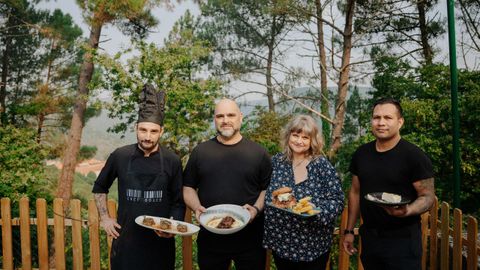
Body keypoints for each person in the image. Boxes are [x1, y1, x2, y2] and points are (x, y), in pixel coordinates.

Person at [92, 84, 185, 270]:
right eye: (143, 130)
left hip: (160, 247)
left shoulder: (172, 160)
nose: (147, 137)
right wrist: (105, 218)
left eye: (153, 131)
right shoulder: (120, 156)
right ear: (136, 128)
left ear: (161, 131)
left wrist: (172, 228)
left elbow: (178, 202)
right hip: (126, 244)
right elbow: (100, 187)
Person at [342, 98, 435, 269]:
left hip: (403, 241)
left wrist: (408, 210)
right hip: (370, 238)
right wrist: (349, 231)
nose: (381, 123)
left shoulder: (414, 156)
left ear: (400, 122)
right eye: (377, 117)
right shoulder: (362, 154)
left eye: (388, 118)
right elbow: (355, 192)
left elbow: (428, 197)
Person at [183, 98, 272, 270]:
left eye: (231, 115)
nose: (225, 120)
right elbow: (187, 187)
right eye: (220, 116)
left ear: (240, 117)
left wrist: (255, 209)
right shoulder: (201, 152)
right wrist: (196, 207)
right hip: (211, 239)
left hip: (250, 239)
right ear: (214, 120)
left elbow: (267, 189)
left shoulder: (258, 152)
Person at [263, 115, 344, 270]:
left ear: (312, 140)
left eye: (305, 137)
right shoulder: (276, 162)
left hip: (313, 245)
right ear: (288, 136)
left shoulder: (321, 165)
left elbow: (337, 200)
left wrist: (315, 211)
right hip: (282, 242)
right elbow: (267, 193)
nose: (299, 141)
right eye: (295, 135)